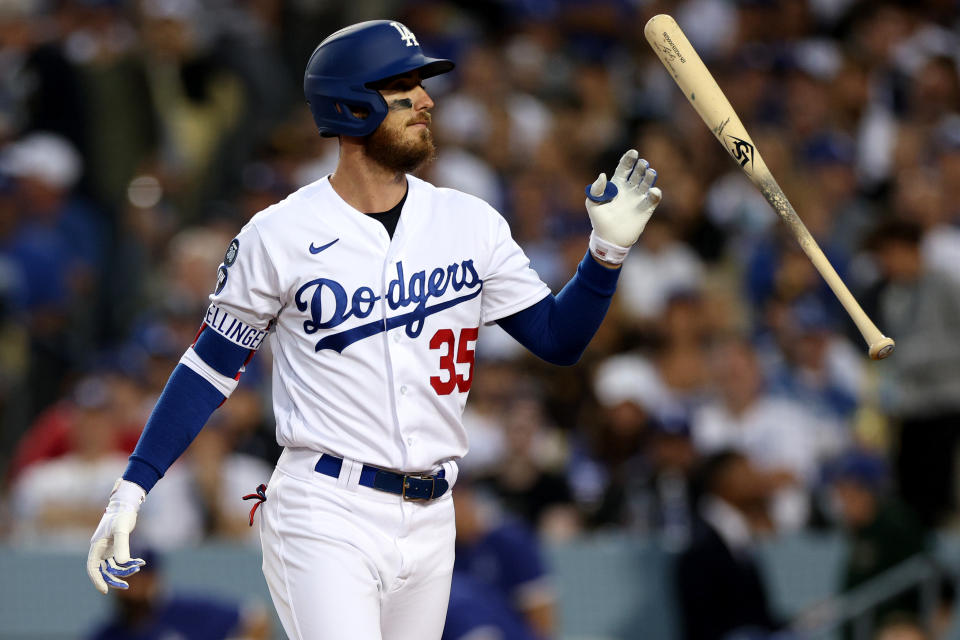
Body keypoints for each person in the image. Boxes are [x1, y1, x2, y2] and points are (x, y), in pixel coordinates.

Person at [85, 19, 662, 640]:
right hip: (325, 505)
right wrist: (132, 488)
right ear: (351, 103)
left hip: (434, 513)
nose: (427, 101)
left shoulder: (468, 221)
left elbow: (557, 339)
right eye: (404, 86)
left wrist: (605, 255)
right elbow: (207, 370)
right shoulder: (277, 234)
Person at [85, 547, 271, 640]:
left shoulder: (186, 611)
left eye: (137, 578)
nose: (130, 587)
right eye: (121, 576)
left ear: (153, 578)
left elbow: (257, 617)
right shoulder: (107, 634)